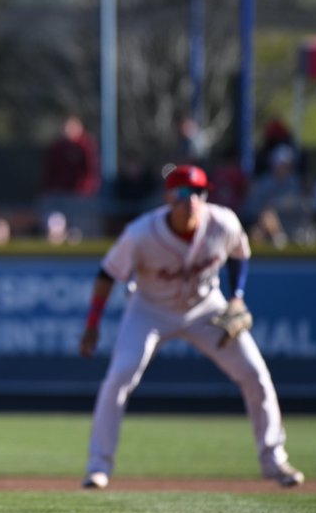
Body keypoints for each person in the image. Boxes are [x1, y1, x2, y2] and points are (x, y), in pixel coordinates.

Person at [78, 164, 303, 490]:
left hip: (205, 309)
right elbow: (107, 274)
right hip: (149, 310)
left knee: (255, 373)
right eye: (183, 192)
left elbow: (240, 253)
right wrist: (92, 324)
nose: (192, 199)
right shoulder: (141, 233)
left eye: (199, 192)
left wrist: (237, 297)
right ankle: (98, 466)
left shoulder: (222, 221)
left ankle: (274, 459)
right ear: (169, 196)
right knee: (120, 375)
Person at [38, 113, 100, 238]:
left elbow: (90, 171)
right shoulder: (57, 147)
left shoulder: (86, 146)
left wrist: (85, 190)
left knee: (78, 229)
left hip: (79, 196)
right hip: (58, 195)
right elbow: (49, 172)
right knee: (53, 220)